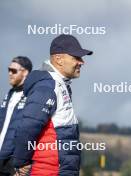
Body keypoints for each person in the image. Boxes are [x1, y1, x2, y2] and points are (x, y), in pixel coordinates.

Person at [13, 34, 93, 176]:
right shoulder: (48, 86)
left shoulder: (58, 83)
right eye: (76, 57)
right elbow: (28, 127)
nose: (82, 62)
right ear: (58, 59)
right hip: (48, 170)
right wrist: (21, 162)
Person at [0, 56, 32, 176]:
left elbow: (32, 130)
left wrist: (25, 161)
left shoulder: (31, 95)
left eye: (14, 71)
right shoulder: (9, 94)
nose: (10, 73)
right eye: (9, 69)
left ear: (25, 72)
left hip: (13, 163)